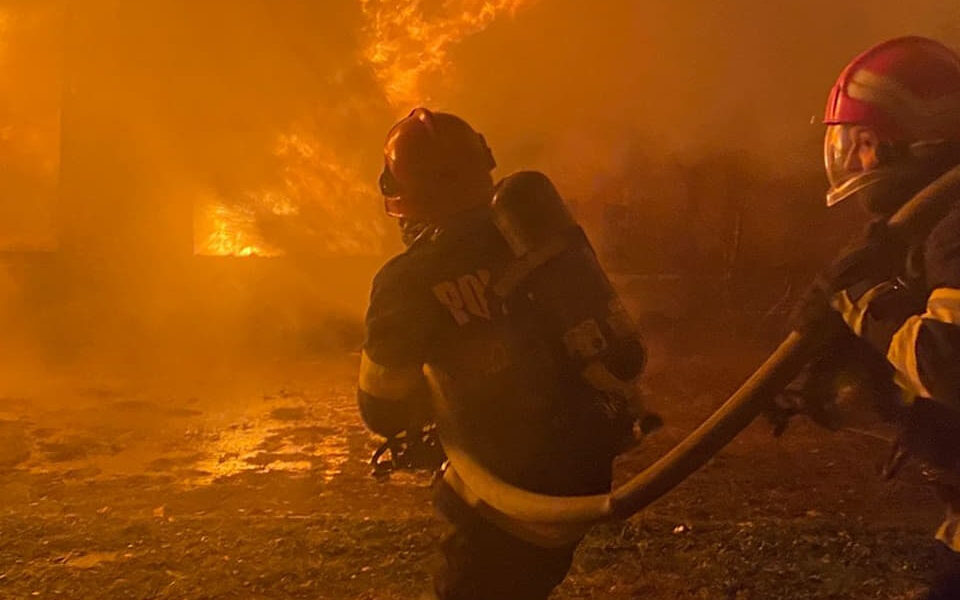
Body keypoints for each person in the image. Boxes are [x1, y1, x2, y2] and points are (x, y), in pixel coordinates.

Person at [356, 108, 647, 600]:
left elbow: (381, 404)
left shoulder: (407, 280)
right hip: (582, 469)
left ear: (406, 199)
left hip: (507, 494)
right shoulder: (536, 240)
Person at [788, 36, 960, 599]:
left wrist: (863, 296)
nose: (853, 160)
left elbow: (948, 362)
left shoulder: (952, 230)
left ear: (901, 143)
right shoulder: (934, 227)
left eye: (860, 142)